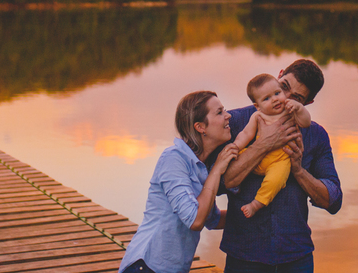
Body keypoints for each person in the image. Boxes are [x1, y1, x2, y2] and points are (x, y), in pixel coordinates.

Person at [218, 59, 342, 273]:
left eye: (297, 98)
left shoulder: (315, 134)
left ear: (308, 104)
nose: (284, 99)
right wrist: (264, 145)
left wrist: (298, 171)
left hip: (296, 258)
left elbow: (333, 200)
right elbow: (219, 183)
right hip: (244, 256)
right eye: (284, 87)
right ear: (280, 74)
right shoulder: (236, 121)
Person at [118, 91, 240, 273]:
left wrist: (255, 212)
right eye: (220, 112)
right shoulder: (174, 159)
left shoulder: (200, 167)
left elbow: (212, 220)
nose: (228, 115)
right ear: (200, 127)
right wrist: (217, 170)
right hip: (146, 266)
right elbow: (195, 220)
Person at [231, 73, 312, 218]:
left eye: (277, 93)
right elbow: (246, 134)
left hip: (280, 160)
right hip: (257, 157)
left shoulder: (290, 112)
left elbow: (306, 123)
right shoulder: (258, 116)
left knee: (276, 180)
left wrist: (299, 108)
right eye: (267, 98)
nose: (275, 99)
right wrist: (236, 147)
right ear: (257, 106)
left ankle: (256, 203)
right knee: (239, 157)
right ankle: (236, 183)